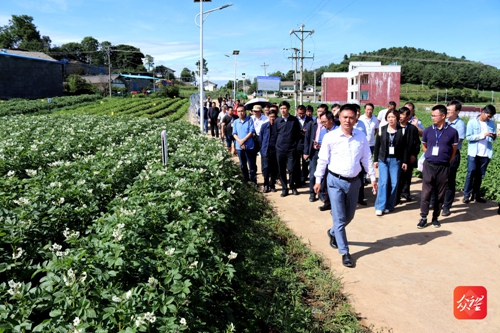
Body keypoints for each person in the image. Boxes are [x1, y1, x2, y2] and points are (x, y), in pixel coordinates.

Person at [314, 104, 378, 267]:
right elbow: (322, 160)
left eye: (351, 117)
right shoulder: (331, 137)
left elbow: (366, 159)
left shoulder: (361, 137)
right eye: (345, 117)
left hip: (354, 182)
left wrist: (373, 177)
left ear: (356, 118)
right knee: (340, 218)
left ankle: (333, 231)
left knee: (349, 216)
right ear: (339, 118)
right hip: (335, 181)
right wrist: (318, 179)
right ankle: (345, 252)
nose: (348, 120)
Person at [418, 105, 458, 229]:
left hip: (443, 167)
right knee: (426, 193)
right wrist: (429, 155)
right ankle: (423, 217)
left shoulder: (452, 132)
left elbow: (454, 150)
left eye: (435, 115)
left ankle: (435, 218)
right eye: (432, 115)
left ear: (443, 116)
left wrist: (445, 161)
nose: (432, 118)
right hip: (429, 165)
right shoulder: (428, 130)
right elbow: (424, 145)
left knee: (440, 194)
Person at [429, 100, 466, 215]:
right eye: (447, 109)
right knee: (436, 179)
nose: (448, 112)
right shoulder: (444, 122)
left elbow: (455, 142)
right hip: (440, 154)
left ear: (457, 111)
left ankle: (447, 206)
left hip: (452, 155)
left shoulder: (460, 125)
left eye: (451, 110)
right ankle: (433, 201)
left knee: (449, 181)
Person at [373, 109, 409, 216]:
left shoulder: (401, 131)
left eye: (393, 117)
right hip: (383, 159)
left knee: (394, 183)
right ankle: (380, 206)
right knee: (383, 182)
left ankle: (389, 205)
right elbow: (377, 146)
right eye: (389, 117)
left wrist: (405, 161)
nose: (391, 119)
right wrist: (375, 160)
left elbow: (405, 148)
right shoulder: (382, 129)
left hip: (396, 160)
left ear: (397, 118)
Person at [463, 104, 497, 204]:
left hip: (486, 153)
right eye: (488, 115)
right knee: (471, 173)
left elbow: (494, 139)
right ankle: (466, 195)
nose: (489, 118)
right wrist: (482, 135)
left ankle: (476, 195)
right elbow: (468, 137)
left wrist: (494, 137)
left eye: (491, 116)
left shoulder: (491, 123)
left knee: (480, 175)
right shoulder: (472, 122)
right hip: (474, 153)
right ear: (483, 112)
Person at [276, 101, 301, 196]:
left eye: (284, 108)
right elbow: (275, 134)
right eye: (281, 108)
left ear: (288, 109)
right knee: (281, 169)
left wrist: (295, 146)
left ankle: (292, 186)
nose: (283, 110)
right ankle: (284, 188)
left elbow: (298, 134)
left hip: (291, 149)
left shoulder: (294, 120)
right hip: (280, 149)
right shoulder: (277, 121)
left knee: (291, 169)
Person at [396, 107, 421, 204]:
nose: (400, 117)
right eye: (400, 114)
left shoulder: (412, 129)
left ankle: (406, 193)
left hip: (409, 156)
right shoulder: (395, 127)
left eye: (403, 115)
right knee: (396, 177)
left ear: (408, 117)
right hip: (396, 156)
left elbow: (417, 144)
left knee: (407, 176)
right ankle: (396, 197)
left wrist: (414, 155)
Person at [232, 105, 257, 184]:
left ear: (245, 111)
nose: (241, 113)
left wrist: (243, 140)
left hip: (249, 147)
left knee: (252, 165)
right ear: (237, 112)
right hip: (239, 147)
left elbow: (251, 131)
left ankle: (253, 181)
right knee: (243, 165)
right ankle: (246, 180)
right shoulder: (236, 122)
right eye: (239, 111)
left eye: (242, 111)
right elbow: (234, 133)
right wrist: (239, 141)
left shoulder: (250, 120)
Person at [260, 109, 279, 193]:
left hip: (276, 150)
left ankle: (272, 184)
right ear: (268, 117)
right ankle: (266, 185)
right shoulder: (264, 126)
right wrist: (262, 149)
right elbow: (260, 138)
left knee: (274, 169)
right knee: (266, 168)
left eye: (274, 117)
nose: (272, 119)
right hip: (266, 150)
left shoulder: (278, 126)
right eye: (271, 117)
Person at [295, 105, 313, 186]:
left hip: (306, 144)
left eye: (302, 113)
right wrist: (300, 131)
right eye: (299, 113)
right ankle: (298, 179)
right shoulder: (294, 120)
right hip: (297, 143)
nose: (301, 115)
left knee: (305, 163)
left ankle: (303, 178)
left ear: (305, 112)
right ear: (297, 112)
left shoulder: (310, 120)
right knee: (297, 163)